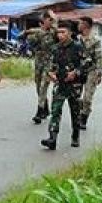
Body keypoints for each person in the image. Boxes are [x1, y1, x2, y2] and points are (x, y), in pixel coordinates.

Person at [40, 21, 92, 151]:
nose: (60, 35)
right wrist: (51, 73)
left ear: (70, 33)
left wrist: (76, 72)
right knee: (55, 111)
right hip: (60, 83)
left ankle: (75, 135)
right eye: (58, 32)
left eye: (63, 32)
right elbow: (50, 65)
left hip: (74, 85)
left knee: (75, 112)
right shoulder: (55, 48)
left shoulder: (78, 47)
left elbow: (88, 62)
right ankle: (52, 138)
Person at [21, 10, 58, 123]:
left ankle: (39, 111)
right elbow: (29, 41)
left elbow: (57, 29)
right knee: (38, 87)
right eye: (46, 20)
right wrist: (31, 34)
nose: (48, 22)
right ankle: (45, 108)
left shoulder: (54, 32)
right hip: (39, 62)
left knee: (43, 86)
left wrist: (53, 17)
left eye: (49, 20)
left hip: (49, 63)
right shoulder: (36, 33)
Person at [76, 16, 102, 129]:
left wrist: (99, 73)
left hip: (91, 70)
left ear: (86, 25)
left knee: (87, 97)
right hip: (78, 70)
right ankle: (77, 116)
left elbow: (99, 57)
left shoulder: (95, 40)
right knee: (76, 96)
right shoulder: (77, 39)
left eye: (80, 23)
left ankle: (84, 118)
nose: (78, 25)